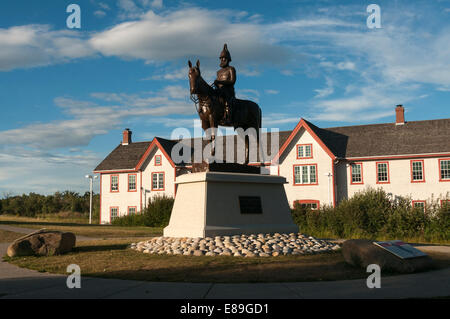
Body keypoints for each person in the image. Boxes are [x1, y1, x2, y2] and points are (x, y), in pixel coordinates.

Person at [214, 44, 236, 124]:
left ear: (228, 59)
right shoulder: (218, 72)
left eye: (224, 58)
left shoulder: (231, 69)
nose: (222, 60)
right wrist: (216, 84)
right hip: (220, 91)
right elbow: (218, 84)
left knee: (226, 99)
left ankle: (228, 117)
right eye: (221, 58)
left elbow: (232, 81)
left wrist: (220, 82)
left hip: (228, 91)